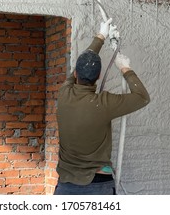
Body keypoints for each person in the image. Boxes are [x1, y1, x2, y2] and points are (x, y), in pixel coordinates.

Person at [54, 19, 150, 195]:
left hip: (66, 185)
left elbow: (82, 64)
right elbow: (142, 97)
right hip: (97, 185)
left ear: (75, 74)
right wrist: (125, 69)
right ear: (98, 76)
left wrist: (101, 36)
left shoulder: (64, 93)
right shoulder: (104, 103)